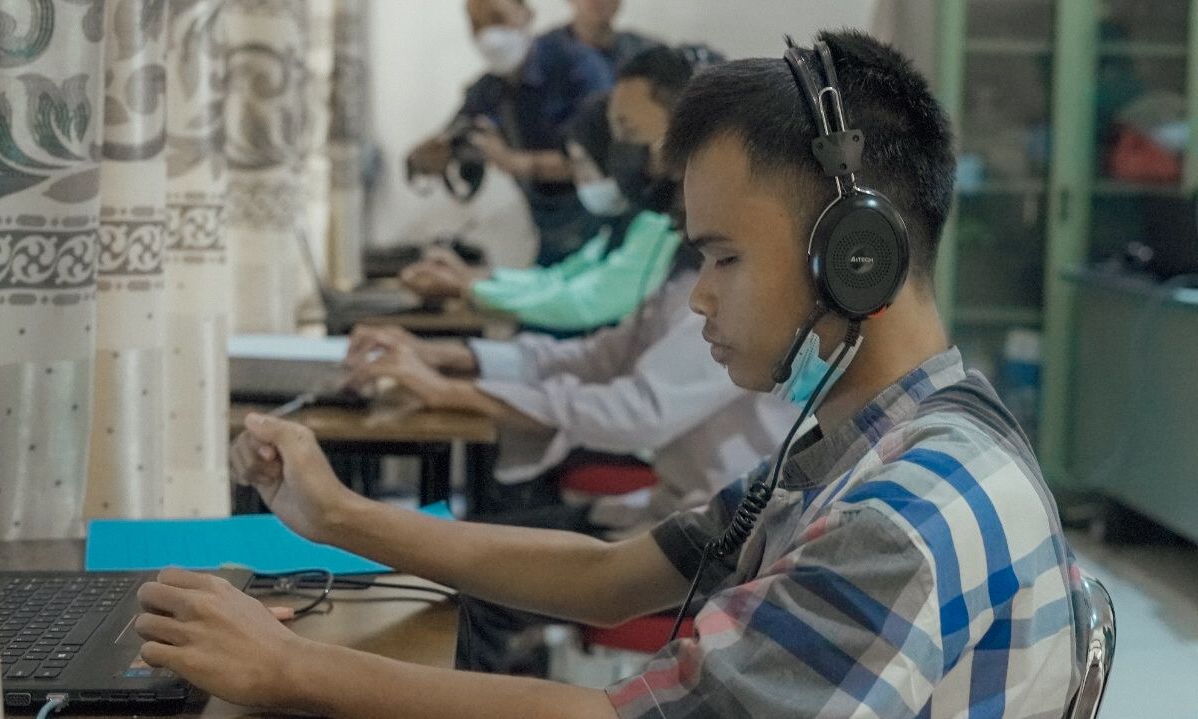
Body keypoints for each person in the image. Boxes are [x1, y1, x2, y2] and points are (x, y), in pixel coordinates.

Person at [137, 30, 1079, 717]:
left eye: (724, 257)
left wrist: (290, 668)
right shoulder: (880, 441)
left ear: (856, 257)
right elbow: (611, 574)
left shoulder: (901, 516)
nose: (699, 296)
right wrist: (337, 514)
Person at [400, 64, 688, 333]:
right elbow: (559, 278)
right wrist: (475, 278)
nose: (580, 180)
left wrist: (469, 287)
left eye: (630, 131)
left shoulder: (658, 224)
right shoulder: (621, 223)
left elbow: (584, 301)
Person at [407, 0, 632, 266]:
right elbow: (447, 140)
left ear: (526, 14)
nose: (488, 34)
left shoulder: (578, 67)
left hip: (605, 228)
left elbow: (604, 157)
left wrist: (514, 162)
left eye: (497, 19)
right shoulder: (489, 90)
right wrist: (431, 156)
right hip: (548, 233)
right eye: (477, 25)